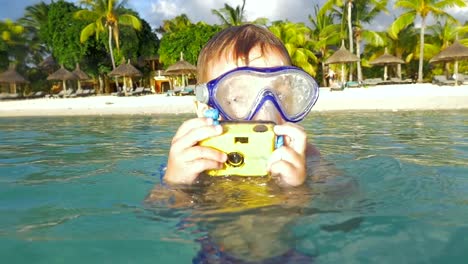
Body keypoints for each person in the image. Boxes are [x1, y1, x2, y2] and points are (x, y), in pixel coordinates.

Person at [147, 24, 332, 263]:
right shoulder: (193, 158)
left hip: (286, 256)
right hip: (217, 256)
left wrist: (298, 189)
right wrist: (175, 183)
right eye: (236, 98)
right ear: (206, 110)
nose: (263, 111)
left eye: (280, 95)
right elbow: (158, 213)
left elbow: (346, 202)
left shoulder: (303, 153)